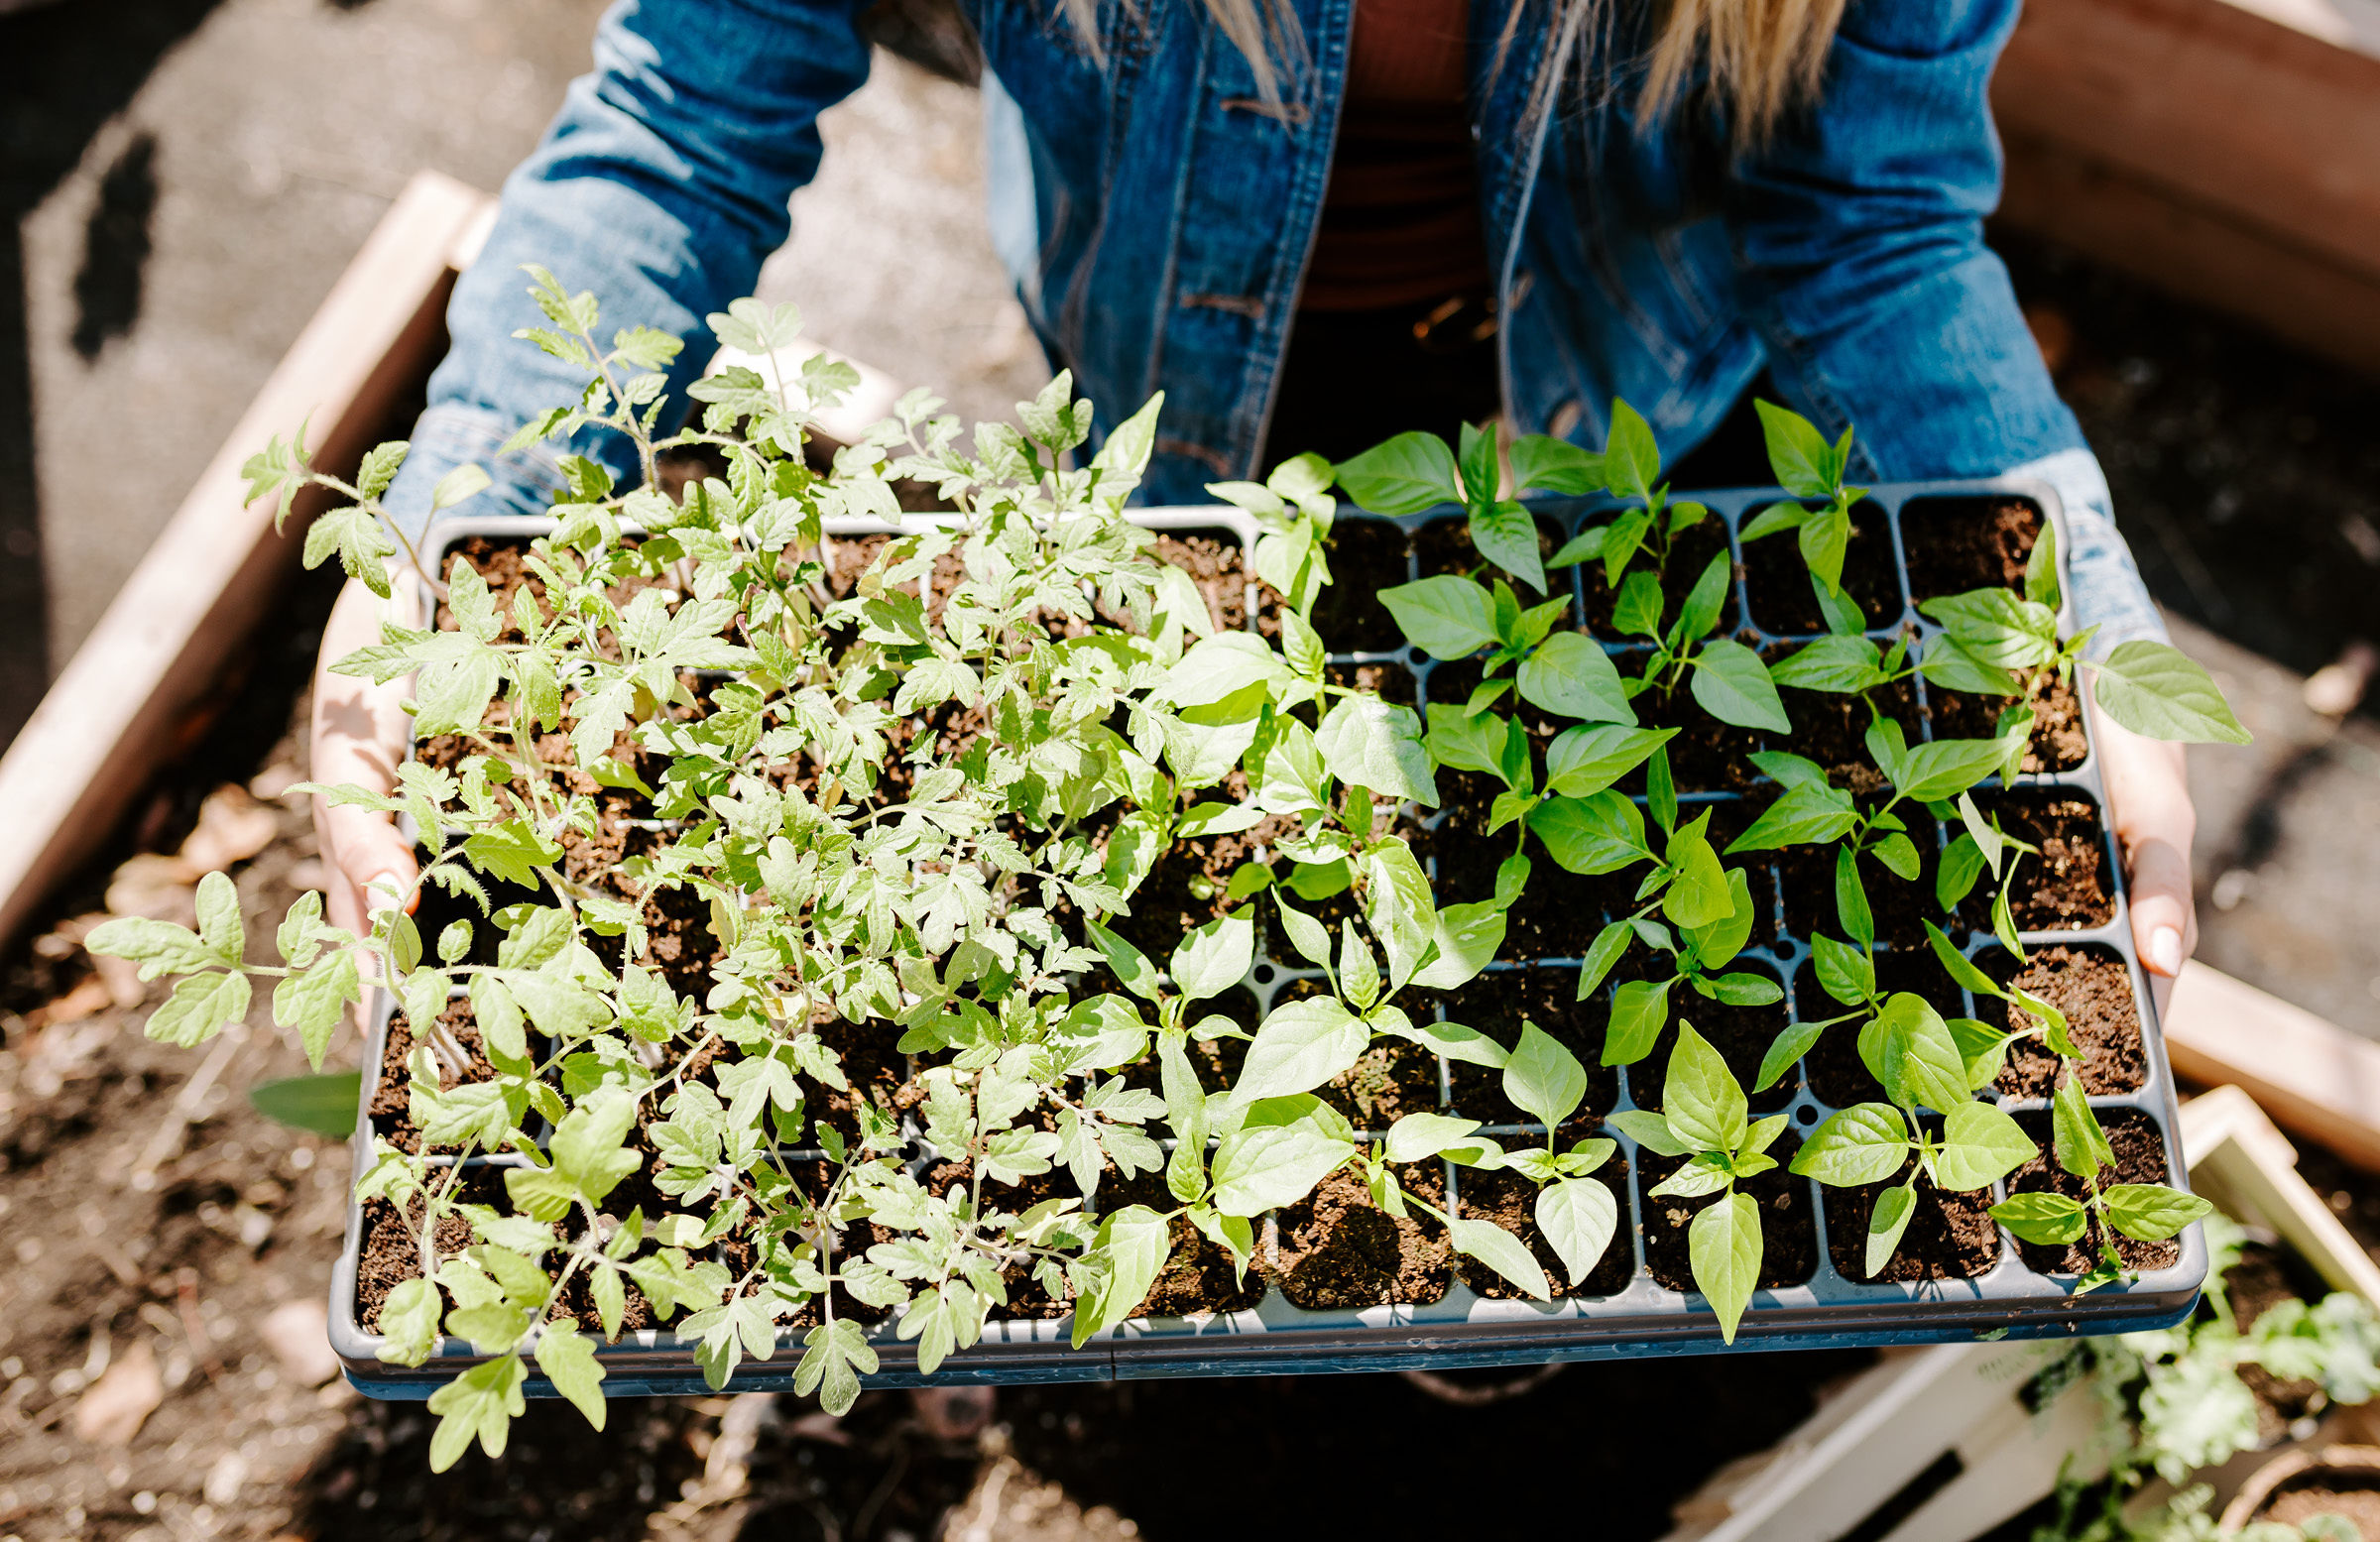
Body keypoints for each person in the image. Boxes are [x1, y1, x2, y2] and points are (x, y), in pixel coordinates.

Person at [311, 0, 2199, 1011]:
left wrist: (2078, 619)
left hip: (1631, 420)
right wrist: (464, 524)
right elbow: (680, 120)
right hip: (1191, 394)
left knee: (1578, 902)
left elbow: (1870, 222)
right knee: (1250, 861)